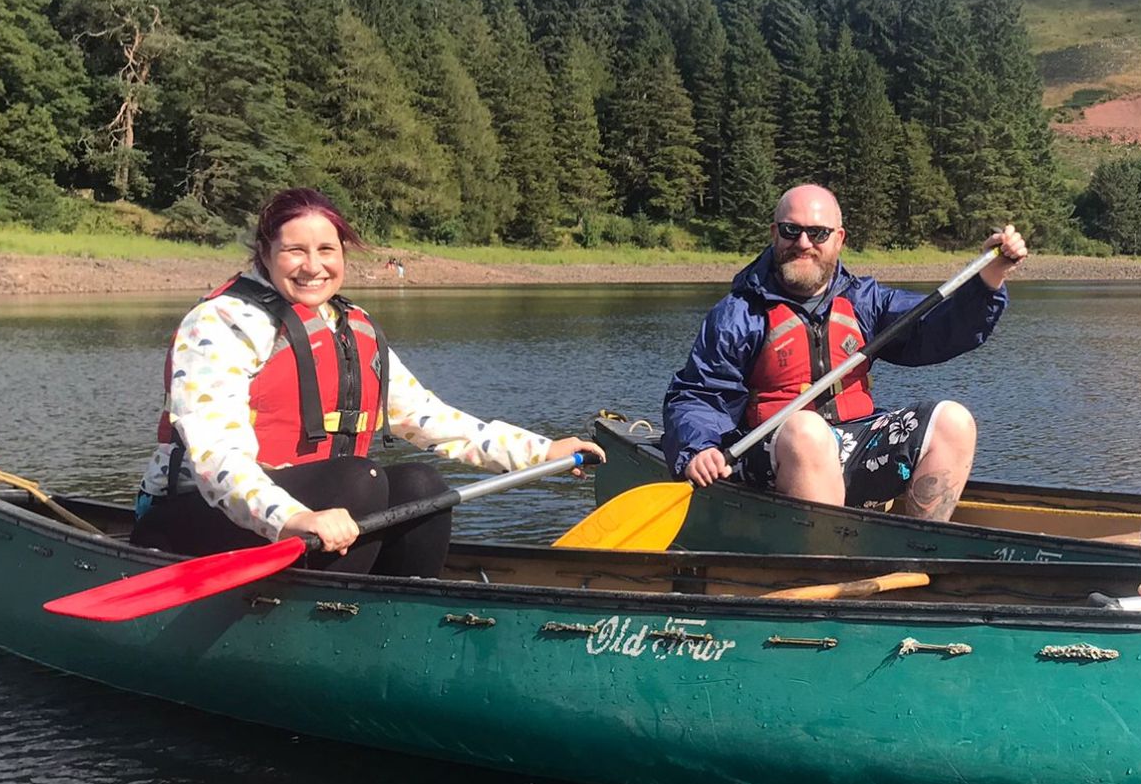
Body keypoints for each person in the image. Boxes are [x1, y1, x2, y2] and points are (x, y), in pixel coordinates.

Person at [135, 186, 603, 576]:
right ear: (265, 252)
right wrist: (292, 517)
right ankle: (328, 622)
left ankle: (400, 610)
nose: (312, 266)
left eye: (326, 250)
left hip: (321, 520)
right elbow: (216, 456)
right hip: (200, 520)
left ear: (344, 254)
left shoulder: (348, 324)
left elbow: (428, 417)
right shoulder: (218, 325)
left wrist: (540, 451)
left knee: (422, 485)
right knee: (360, 480)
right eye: (295, 250)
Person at [662, 184, 1027, 521]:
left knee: (953, 420)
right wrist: (701, 447)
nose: (803, 243)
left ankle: (918, 551)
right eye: (791, 230)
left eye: (817, 233)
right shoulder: (739, 314)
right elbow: (699, 394)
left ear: (839, 239)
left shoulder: (864, 301)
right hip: (771, 456)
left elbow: (941, 328)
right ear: (774, 234)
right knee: (808, 430)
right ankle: (826, 560)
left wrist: (990, 276)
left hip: (853, 446)